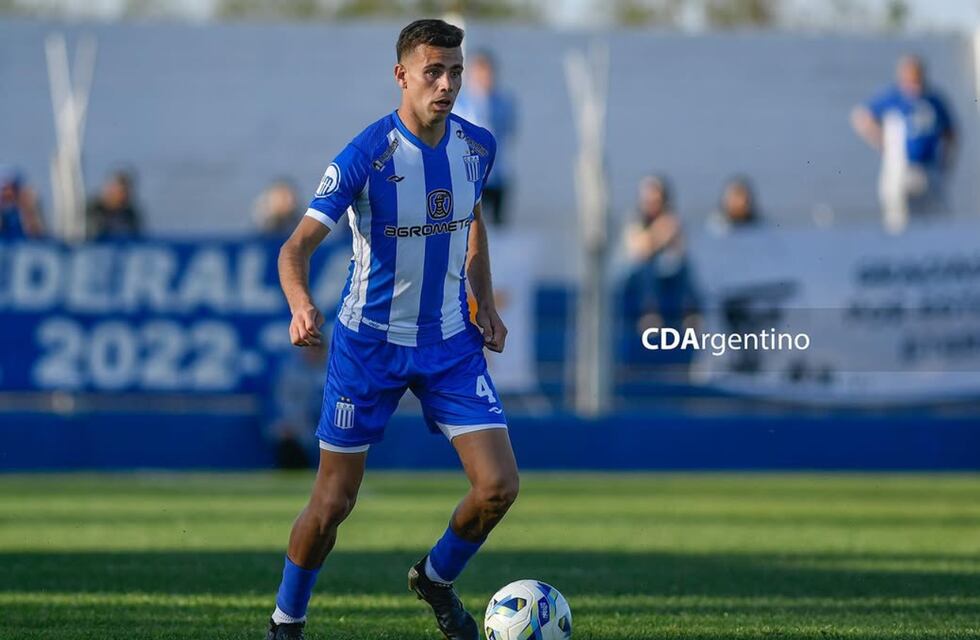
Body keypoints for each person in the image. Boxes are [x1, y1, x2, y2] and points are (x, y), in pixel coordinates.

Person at [268, 19, 515, 640]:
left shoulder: (477, 147)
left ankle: (434, 578)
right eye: (434, 71)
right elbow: (294, 249)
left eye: (455, 71)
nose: (447, 84)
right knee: (332, 506)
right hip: (368, 345)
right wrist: (300, 306)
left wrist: (482, 297)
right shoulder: (365, 156)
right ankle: (285, 622)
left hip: (449, 342)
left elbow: (473, 219)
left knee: (498, 487)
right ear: (401, 75)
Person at [851, 54, 957, 233]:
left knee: (934, 221)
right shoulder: (893, 98)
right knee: (899, 222)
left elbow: (951, 133)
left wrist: (946, 163)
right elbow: (861, 117)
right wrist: (880, 141)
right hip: (900, 169)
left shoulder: (934, 100)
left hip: (928, 169)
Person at [623, 175, 698, 332]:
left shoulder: (675, 220)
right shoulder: (634, 221)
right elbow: (640, 251)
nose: (652, 205)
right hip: (638, 277)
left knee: (684, 267)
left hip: (669, 275)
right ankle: (649, 314)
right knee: (646, 268)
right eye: (648, 201)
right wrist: (662, 233)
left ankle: (689, 315)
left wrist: (657, 238)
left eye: (656, 200)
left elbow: (681, 251)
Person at [452, 50, 517, 226]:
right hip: (469, 177)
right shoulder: (459, 103)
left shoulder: (504, 102)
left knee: (499, 227)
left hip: (498, 174)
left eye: (488, 73)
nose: (485, 78)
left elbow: (510, 131)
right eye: (480, 74)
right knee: (470, 226)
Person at [86, 170, 142, 240]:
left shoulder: (130, 214)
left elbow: (137, 235)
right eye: (120, 191)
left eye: (126, 192)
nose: (123, 196)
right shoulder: (94, 210)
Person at [0, 168, 45, 239]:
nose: (8, 193)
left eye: (12, 188)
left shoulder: (26, 204)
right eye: (4, 189)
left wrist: (28, 208)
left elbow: (36, 231)